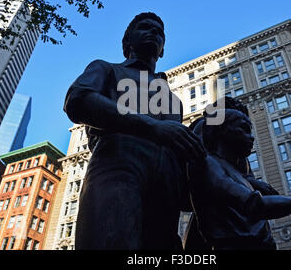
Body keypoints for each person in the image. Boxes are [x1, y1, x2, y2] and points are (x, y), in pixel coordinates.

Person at [63, 12, 205, 249]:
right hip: (116, 171)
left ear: (162, 50)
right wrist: (154, 127)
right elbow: (78, 100)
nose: (153, 33)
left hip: (165, 197)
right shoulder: (106, 69)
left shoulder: (173, 101)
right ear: (126, 42)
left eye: (159, 32)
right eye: (145, 27)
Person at [187, 106, 291, 250]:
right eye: (244, 129)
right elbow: (256, 205)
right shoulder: (209, 164)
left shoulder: (237, 172)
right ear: (222, 131)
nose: (251, 137)